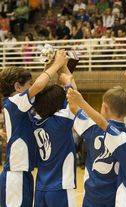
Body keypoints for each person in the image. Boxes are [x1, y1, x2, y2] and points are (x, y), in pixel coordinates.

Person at [67, 70, 126, 207]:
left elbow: (73, 105)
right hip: (118, 198)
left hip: (93, 198)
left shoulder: (92, 128)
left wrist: (68, 81)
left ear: (104, 107)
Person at [0, 50, 67, 207]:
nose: (33, 88)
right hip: (14, 176)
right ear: (17, 86)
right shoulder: (13, 102)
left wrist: (50, 66)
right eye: (29, 85)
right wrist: (57, 64)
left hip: (24, 175)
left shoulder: (22, 105)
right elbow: (38, 86)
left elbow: (40, 89)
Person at [30, 68, 77, 207]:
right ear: (58, 105)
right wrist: (68, 80)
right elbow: (75, 99)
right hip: (60, 186)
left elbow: (40, 97)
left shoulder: (34, 120)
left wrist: (54, 67)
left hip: (40, 187)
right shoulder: (62, 121)